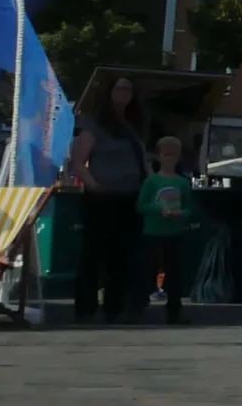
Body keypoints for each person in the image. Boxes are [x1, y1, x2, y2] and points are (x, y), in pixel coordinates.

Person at [70, 74, 151, 321]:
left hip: (130, 196)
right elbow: (78, 160)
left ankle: (114, 307)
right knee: (93, 254)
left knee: (122, 254)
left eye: (128, 88)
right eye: (120, 88)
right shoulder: (94, 124)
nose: (124, 93)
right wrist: (93, 185)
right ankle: (85, 308)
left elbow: (143, 159)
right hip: (102, 197)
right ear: (109, 92)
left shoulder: (133, 124)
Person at [134, 136, 197, 326]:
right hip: (153, 232)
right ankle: (137, 307)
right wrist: (159, 210)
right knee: (148, 271)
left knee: (175, 273)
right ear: (159, 157)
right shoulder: (152, 182)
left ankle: (174, 310)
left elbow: (189, 208)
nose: (169, 159)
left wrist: (181, 213)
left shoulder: (183, 182)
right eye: (166, 154)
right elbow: (141, 206)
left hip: (174, 232)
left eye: (173, 155)